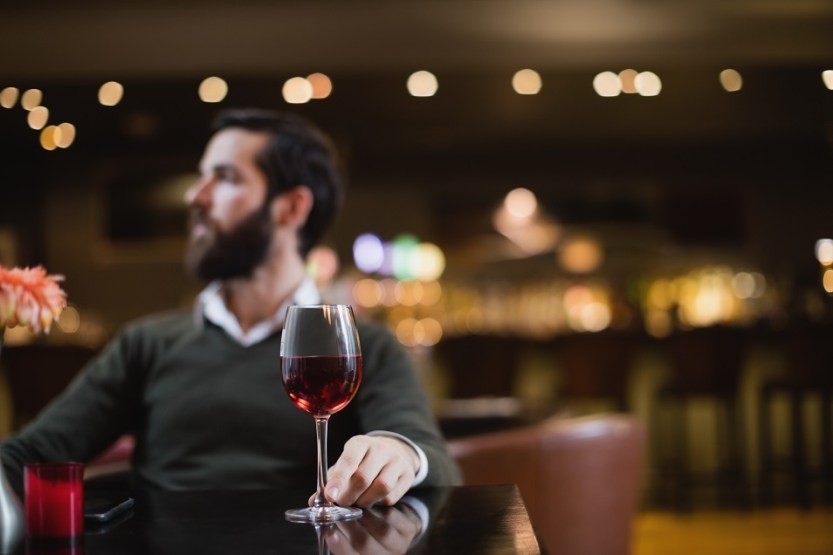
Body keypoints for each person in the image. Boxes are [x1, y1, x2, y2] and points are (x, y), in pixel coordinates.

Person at [0, 109, 462, 507]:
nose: (194, 196)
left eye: (225, 177)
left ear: (292, 208)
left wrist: (398, 454)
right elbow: (31, 455)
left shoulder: (364, 345)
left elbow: (431, 459)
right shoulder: (147, 343)